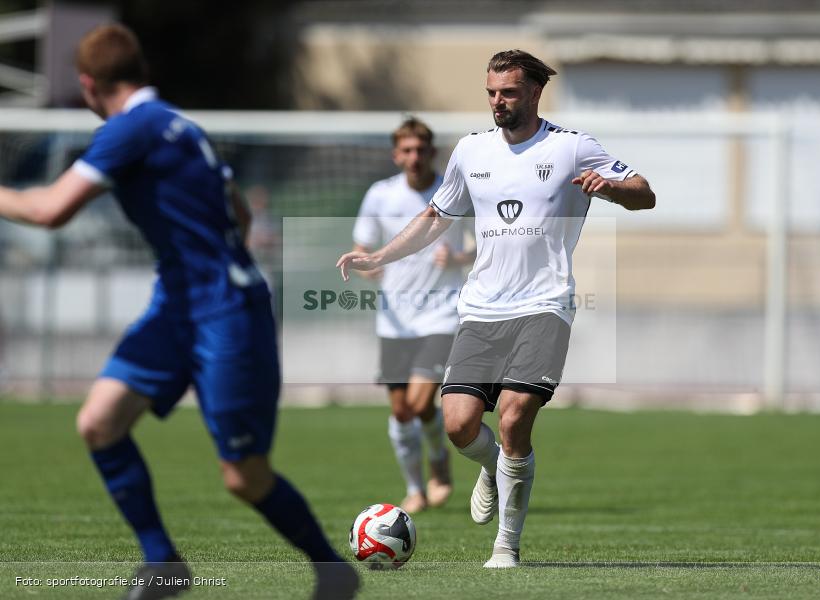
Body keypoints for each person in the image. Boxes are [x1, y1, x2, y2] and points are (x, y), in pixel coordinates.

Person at [0, 24, 358, 599]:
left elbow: (48, 211)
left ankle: (332, 569)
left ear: (89, 85)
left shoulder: (129, 129)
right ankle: (163, 563)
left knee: (243, 476)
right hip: (181, 303)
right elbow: (237, 213)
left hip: (225, 313)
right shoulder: (180, 125)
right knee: (98, 421)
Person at [337, 49, 655, 568]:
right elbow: (436, 216)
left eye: (508, 92)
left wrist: (613, 188)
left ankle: (505, 545)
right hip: (481, 308)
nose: (497, 102)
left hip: (544, 305)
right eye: (491, 92)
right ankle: (493, 467)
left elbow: (645, 193)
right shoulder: (471, 151)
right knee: (459, 426)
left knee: (512, 421)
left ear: (534, 91)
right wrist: (379, 256)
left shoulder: (573, 148)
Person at [352, 118, 473, 515]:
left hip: (440, 315)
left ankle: (439, 463)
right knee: (402, 410)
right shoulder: (379, 195)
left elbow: (485, 245)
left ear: (432, 153)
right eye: (406, 150)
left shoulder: (452, 192)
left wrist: (456, 257)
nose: (414, 157)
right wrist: (368, 266)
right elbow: (364, 246)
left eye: (420, 150)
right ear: (396, 155)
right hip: (395, 320)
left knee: (422, 401)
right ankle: (414, 489)